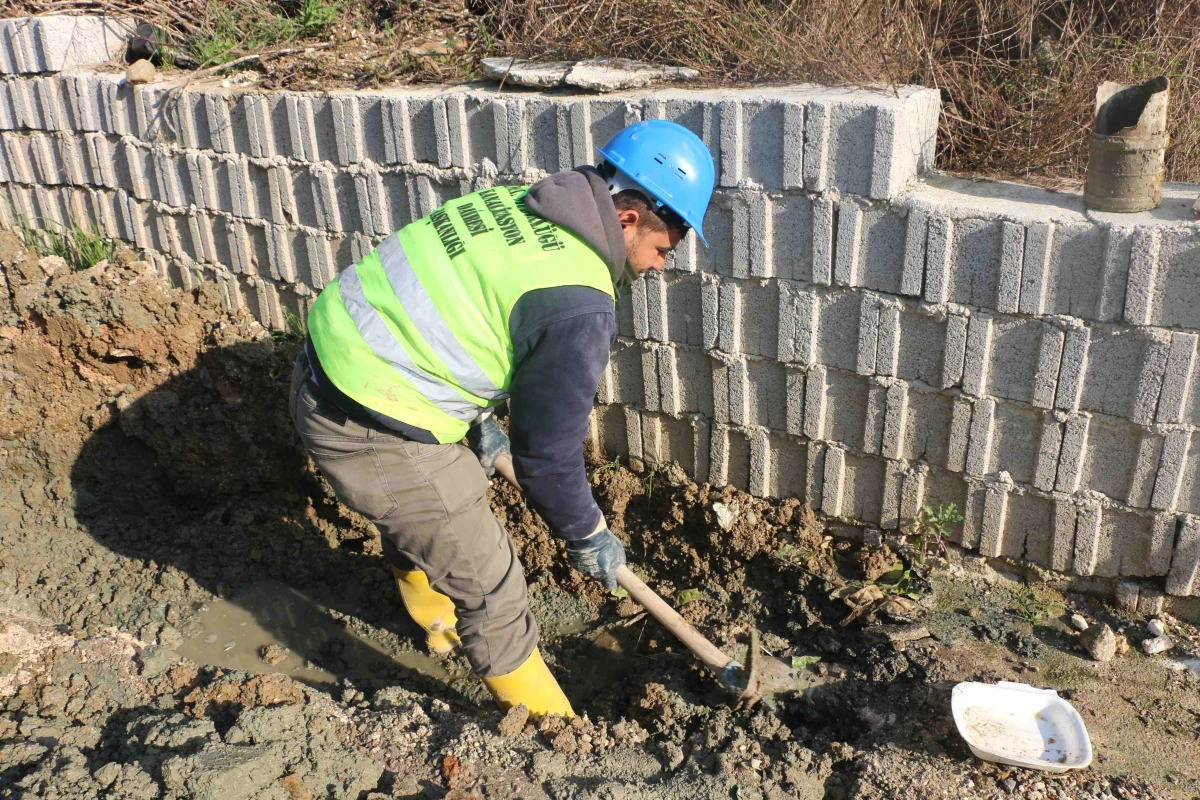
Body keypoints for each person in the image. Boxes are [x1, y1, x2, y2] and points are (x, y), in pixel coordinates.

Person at [288, 120, 715, 718]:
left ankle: (435, 627)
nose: (661, 266)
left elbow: (464, 307)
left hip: (324, 367)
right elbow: (547, 458)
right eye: (663, 249)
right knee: (492, 586)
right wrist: (587, 535)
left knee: (427, 516)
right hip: (370, 424)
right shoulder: (580, 303)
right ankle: (553, 737)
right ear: (627, 220)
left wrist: (479, 419)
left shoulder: (517, 204)